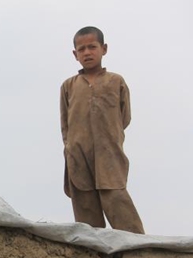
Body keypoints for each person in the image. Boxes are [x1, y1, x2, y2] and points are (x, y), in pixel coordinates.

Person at [60, 26, 145, 234]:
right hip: (78, 155)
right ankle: (96, 257)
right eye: (81, 49)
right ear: (75, 54)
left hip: (109, 153)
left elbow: (124, 117)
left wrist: (108, 136)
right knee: (85, 205)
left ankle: (137, 250)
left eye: (92, 47)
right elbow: (65, 124)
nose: (87, 52)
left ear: (104, 49)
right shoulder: (68, 86)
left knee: (116, 198)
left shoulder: (116, 81)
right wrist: (71, 147)